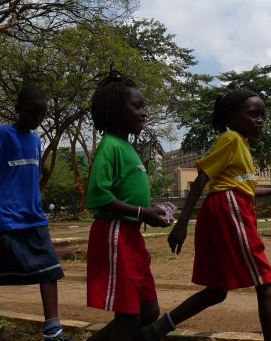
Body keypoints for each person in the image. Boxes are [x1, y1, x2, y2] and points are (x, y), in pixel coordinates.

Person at [138, 89, 271, 341]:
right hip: (229, 209)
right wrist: (182, 224)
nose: (260, 120)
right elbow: (203, 177)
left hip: (223, 209)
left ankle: (155, 331)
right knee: (266, 283)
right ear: (233, 116)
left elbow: (245, 186)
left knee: (216, 290)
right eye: (253, 114)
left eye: (263, 115)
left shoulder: (241, 144)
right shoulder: (231, 139)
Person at [0, 84, 74, 341]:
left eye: (42, 115)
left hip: (33, 217)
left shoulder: (36, 141)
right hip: (5, 218)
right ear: (18, 109)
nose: (37, 119)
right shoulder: (3, 135)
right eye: (32, 113)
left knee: (49, 269)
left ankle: (53, 330)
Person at [85, 71, 172, 341]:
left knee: (149, 311)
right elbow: (98, 196)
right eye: (137, 106)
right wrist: (142, 212)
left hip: (132, 236)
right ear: (117, 112)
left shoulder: (128, 147)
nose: (144, 112)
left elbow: (129, 193)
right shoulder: (109, 146)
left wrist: (152, 208)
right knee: (128, 316)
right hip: (114, 234)